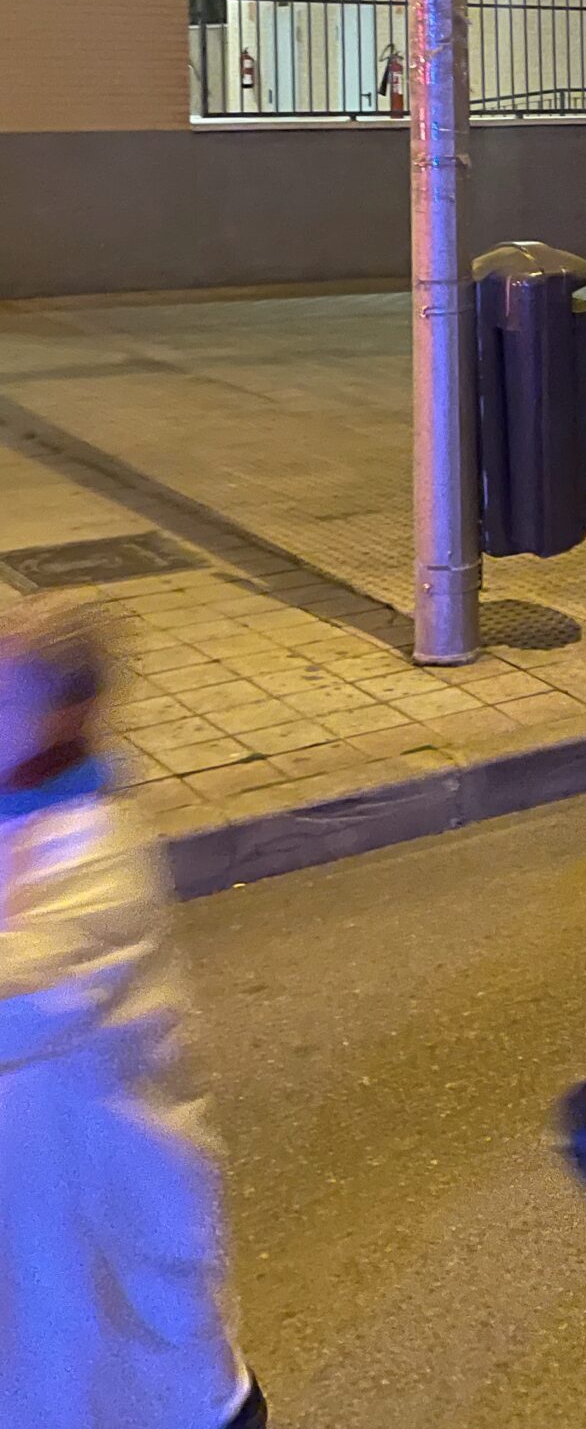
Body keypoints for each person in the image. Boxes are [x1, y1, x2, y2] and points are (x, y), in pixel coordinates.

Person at [0, 597, 267, 1429]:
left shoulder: (100, 855)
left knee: (134, 1377)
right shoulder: (16, 814)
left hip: (103, 1227)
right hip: (41, 1237)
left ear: (64, 714)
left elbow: (21, 990)